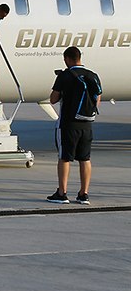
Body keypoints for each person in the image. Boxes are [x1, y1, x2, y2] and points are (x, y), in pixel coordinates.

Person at [46, 46, 102, 205]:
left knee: (64, 158)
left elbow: (53, 99)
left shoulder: (65, 76)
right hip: (87, 123)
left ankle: (62, 193)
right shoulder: (92, 75)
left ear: (67, 59)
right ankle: (84, 194)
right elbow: (97, 98)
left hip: (68, 124)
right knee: (85, 159)